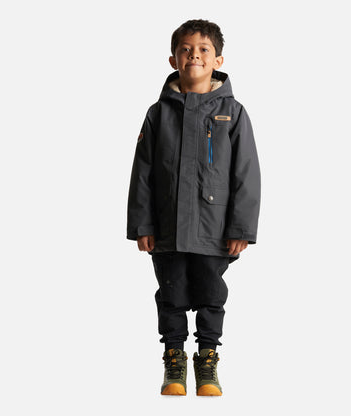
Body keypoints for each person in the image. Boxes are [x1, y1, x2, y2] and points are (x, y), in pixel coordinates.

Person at [126, 19, 261, 396]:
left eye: (203, 49)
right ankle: (173, 359)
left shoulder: (233, 112)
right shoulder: (158, 113)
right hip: (166, 226)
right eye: (185, 50)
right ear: (173, 60)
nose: (194, 56)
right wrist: (142, 224)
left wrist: (240, 228)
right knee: (170, 293)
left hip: (213, 228)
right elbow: (142, 172)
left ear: (218, 60)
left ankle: (207, 359)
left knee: (210, 294)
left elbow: (246, 173)